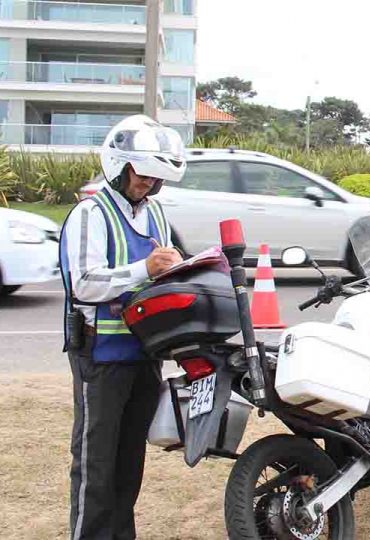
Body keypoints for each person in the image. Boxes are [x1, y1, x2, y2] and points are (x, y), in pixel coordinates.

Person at [59, 114, 187, 539]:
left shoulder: (155, 216)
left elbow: (162, 275)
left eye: (155, 178)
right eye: (142, 175)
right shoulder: (90, 213)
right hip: (100, 356)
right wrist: (142, 269)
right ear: (120, 166)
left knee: (129, 462)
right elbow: (84, 283)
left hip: (144, 354)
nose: (147, 184)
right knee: (96, 463)